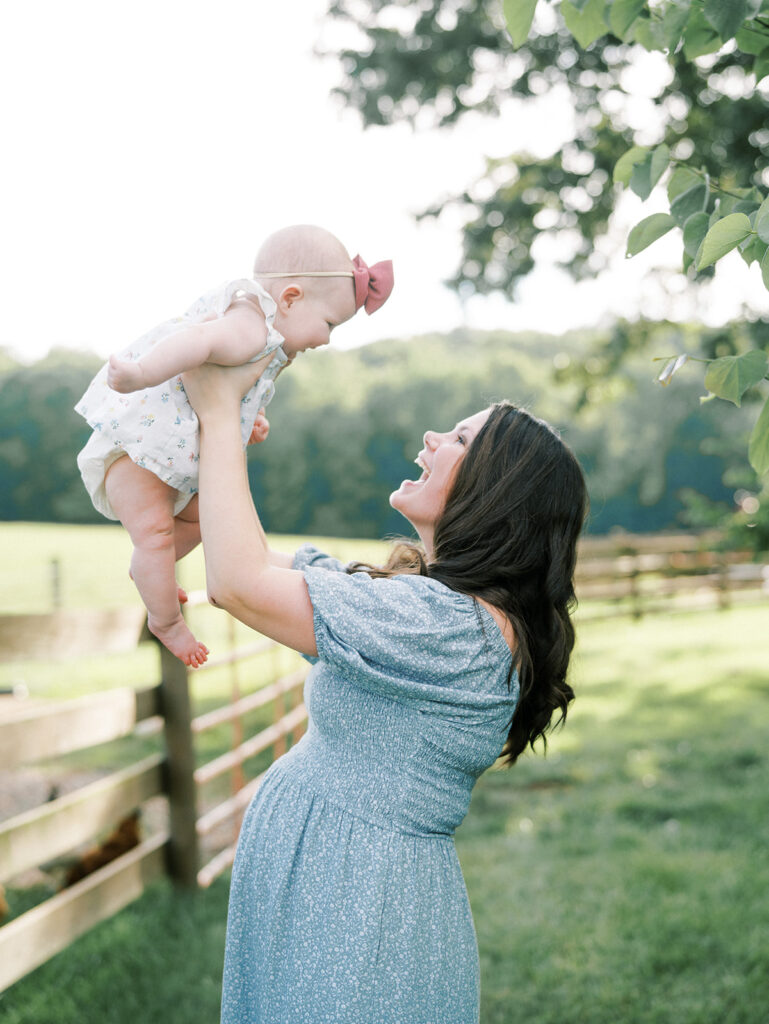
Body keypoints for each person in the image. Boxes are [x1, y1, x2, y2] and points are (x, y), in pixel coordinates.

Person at [182, 357, 588, 1024]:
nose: (432, 440)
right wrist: (202, 450)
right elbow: (246, 551)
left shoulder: (450, 629)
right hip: (336, 890)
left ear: (497, 491)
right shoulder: (432, 610)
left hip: (358, 910)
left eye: (458, 439)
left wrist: (220, 413)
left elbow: (238, 583)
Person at [73, 225, 394, 667]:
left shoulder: (263, 336)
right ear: (290, 298)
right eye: (330, 324)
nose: (326, 339)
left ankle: (152, 568)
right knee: (157, 532)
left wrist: (251, 421)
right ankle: (165, 620)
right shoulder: (252, 327)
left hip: (165, 456)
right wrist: (140, 373)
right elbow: (196, 341)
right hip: (138, 450)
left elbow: (225, 391)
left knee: (209, 518)